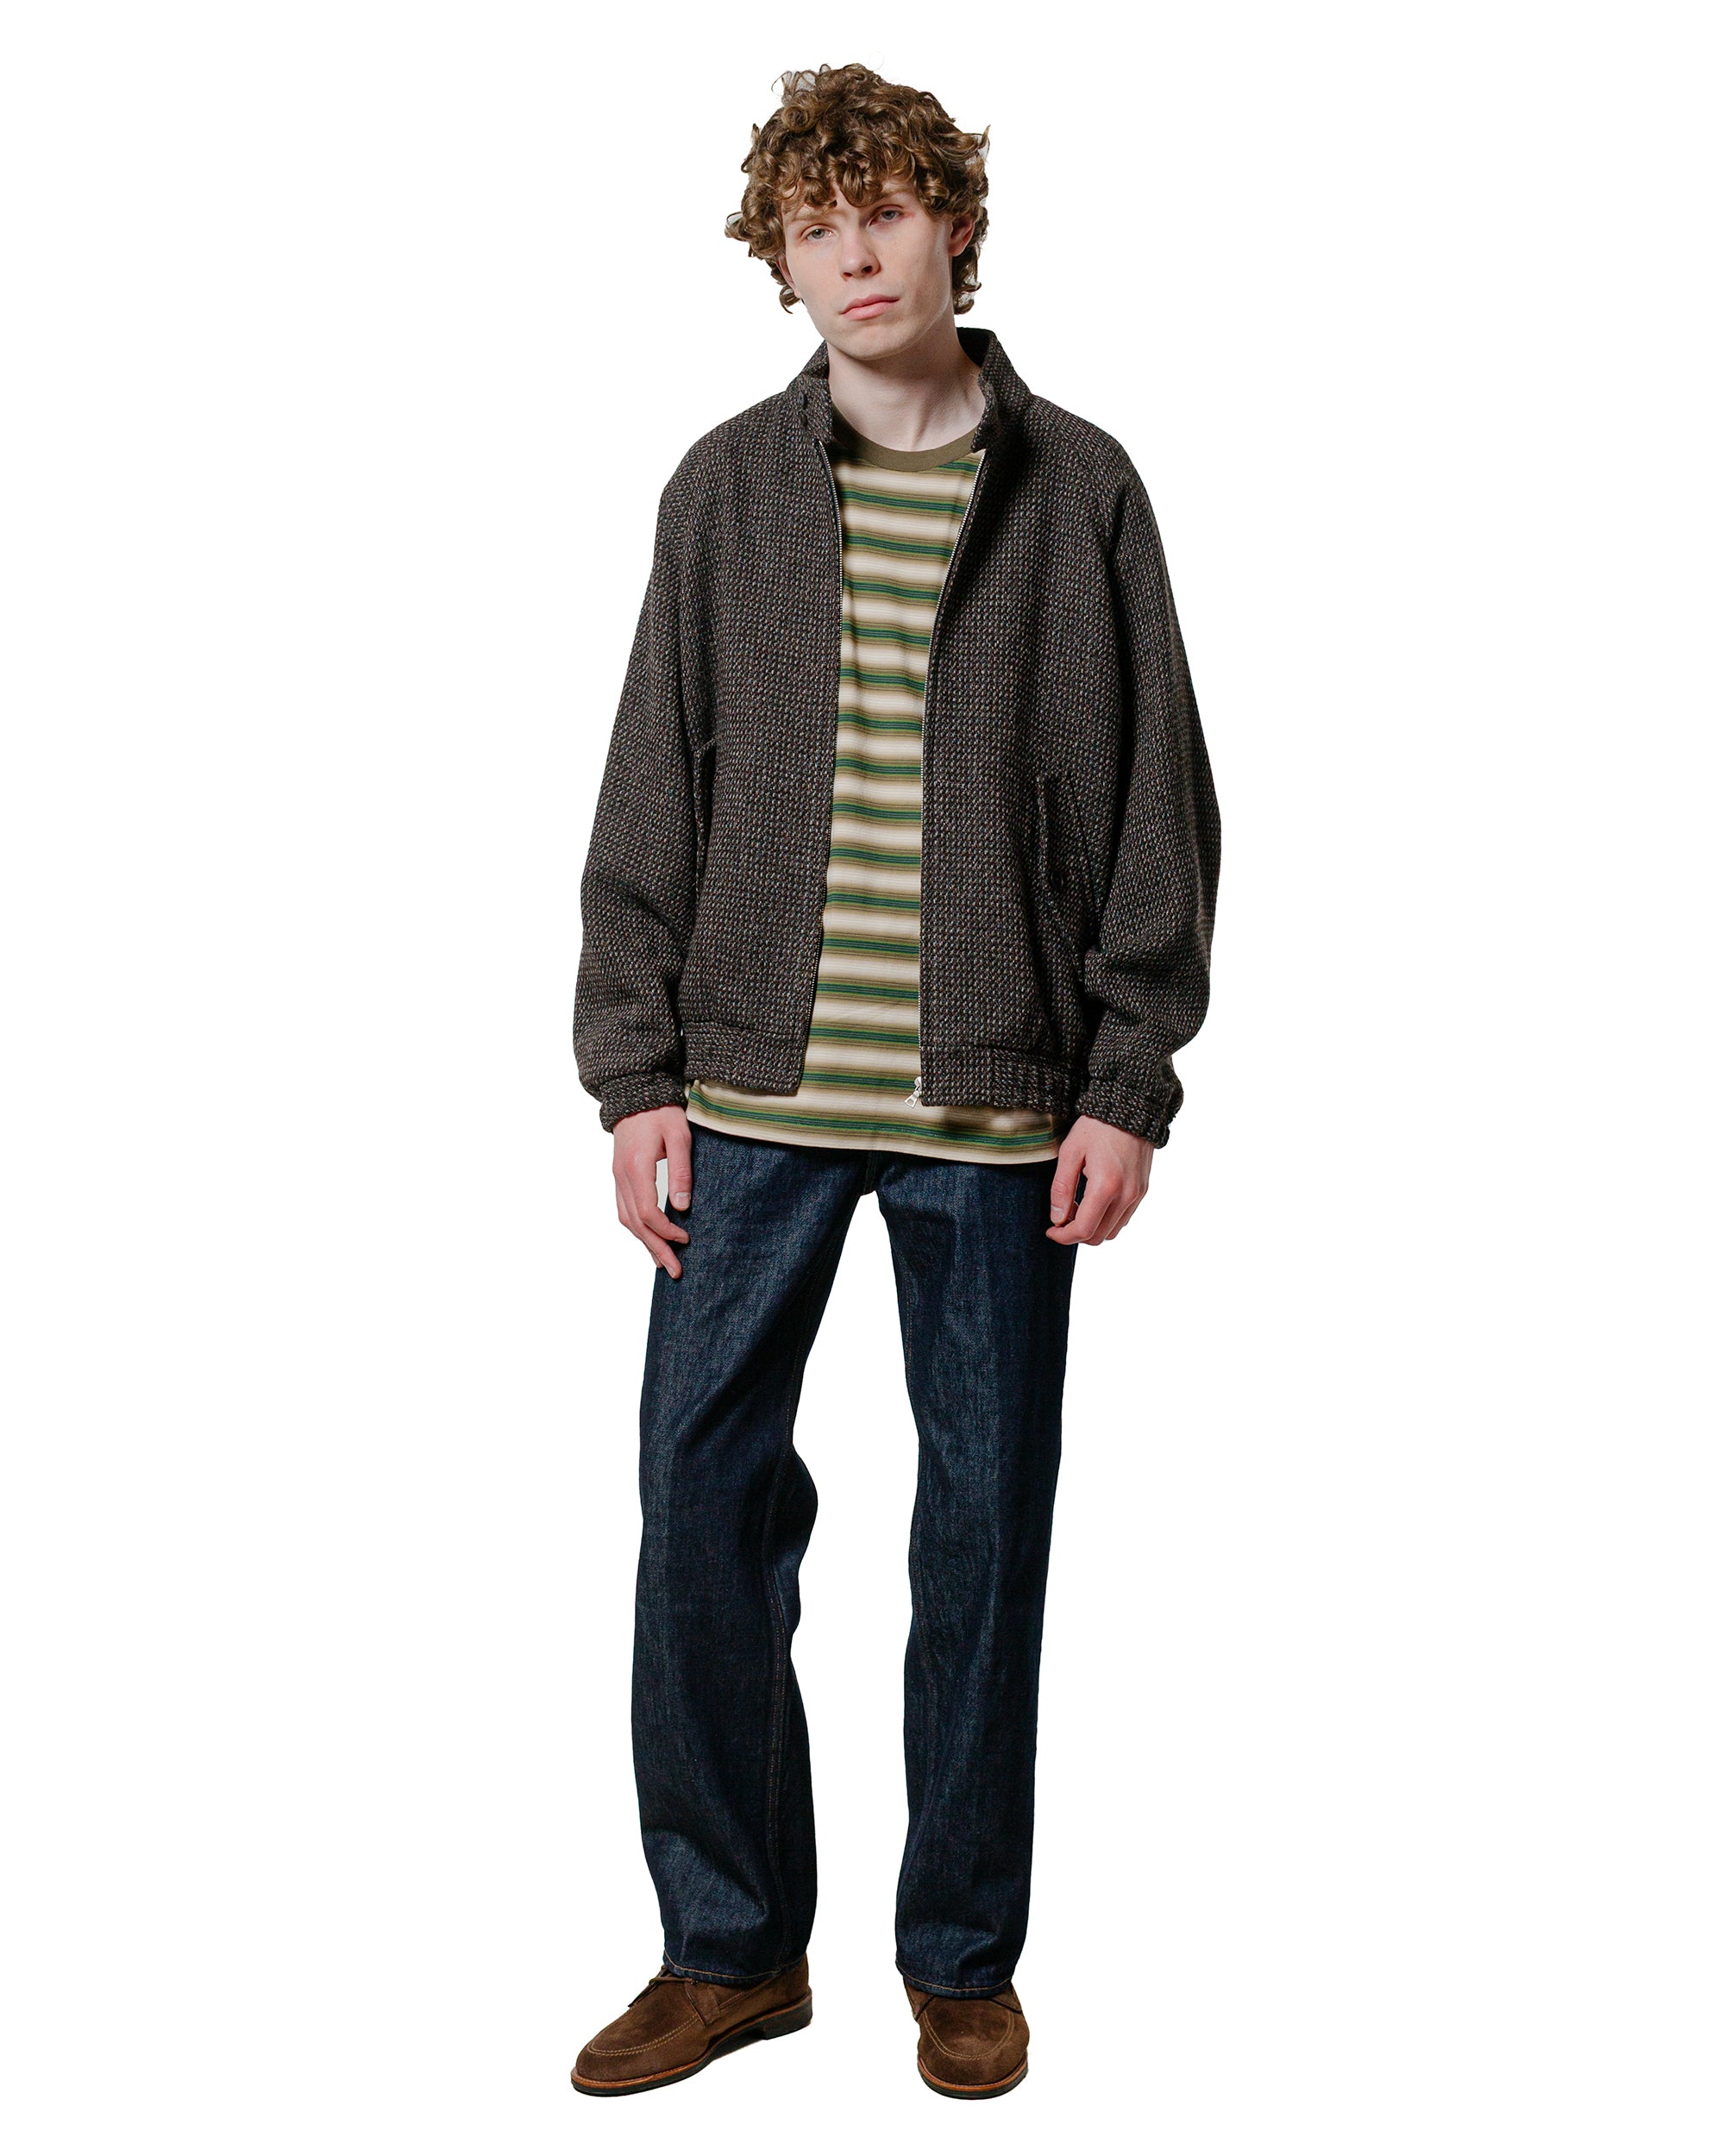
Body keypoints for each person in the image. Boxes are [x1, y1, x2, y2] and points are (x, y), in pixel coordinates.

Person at [568, 60, 1220, 2100]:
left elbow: (1158, 802)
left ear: (953, 225)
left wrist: (1125, 1075)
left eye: (886, 210)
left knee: (984, 1535)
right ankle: (729, 1945)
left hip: (1001, 1111)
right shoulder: (723, 493)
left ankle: (958, 1955)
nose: (854, 253)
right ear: (778, 259)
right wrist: (632, 1071)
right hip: (745, 1098)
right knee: (698, 1510)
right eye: (814, 223)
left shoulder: (1079, 488)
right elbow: (648, 788)